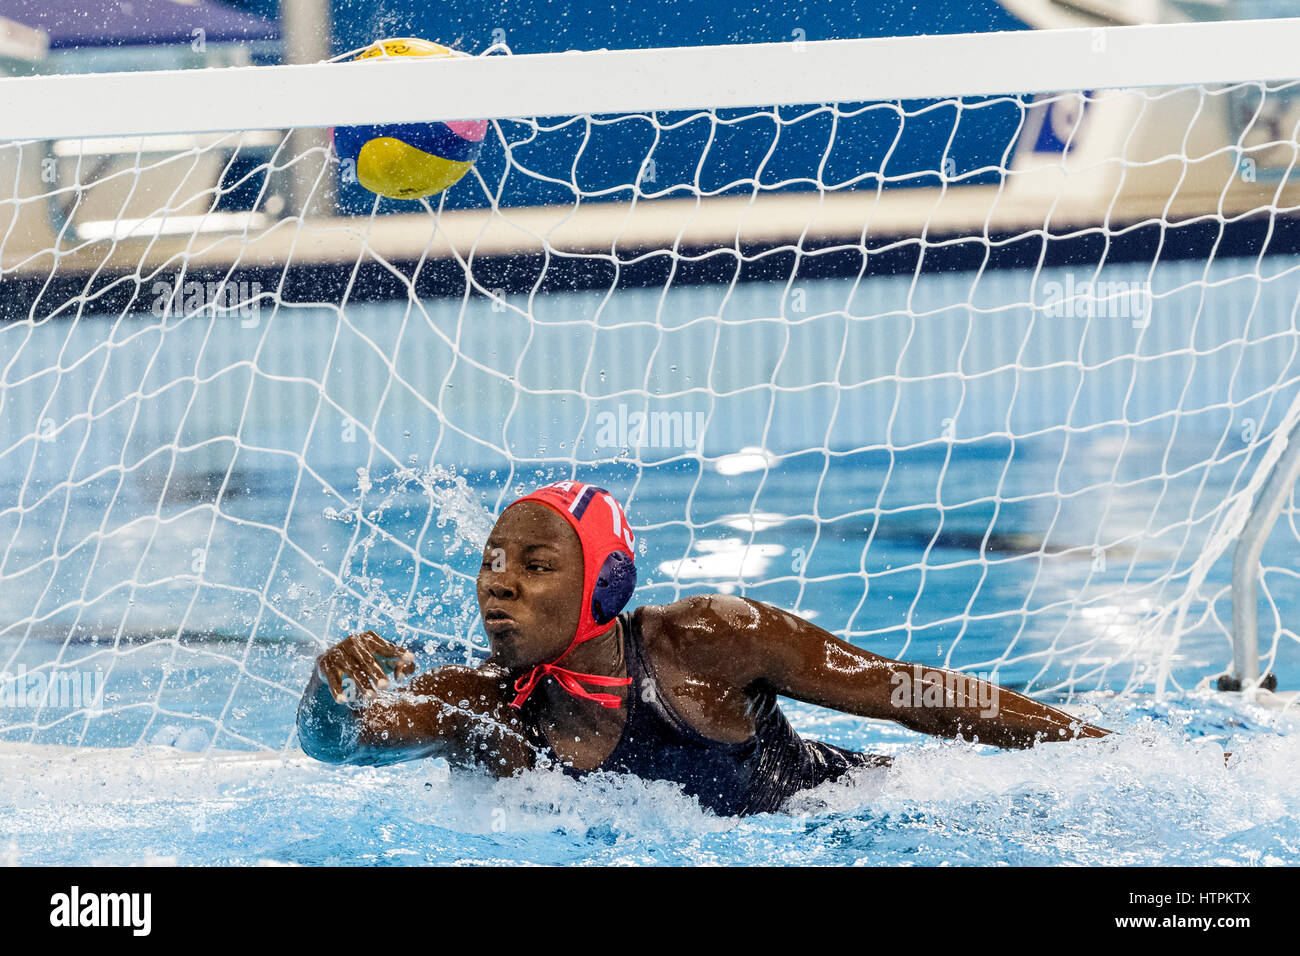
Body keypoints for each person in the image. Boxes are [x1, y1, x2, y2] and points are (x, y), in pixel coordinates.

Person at [297, 481, 1112, 816]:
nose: (497, 585)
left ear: (606, 585)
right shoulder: (480, 709)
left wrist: (1099, 748)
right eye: (492, 563)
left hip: (855, 816)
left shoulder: (708, 643)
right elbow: (336, 749)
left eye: (537, 566)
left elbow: (905, 692)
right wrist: (324, 697)